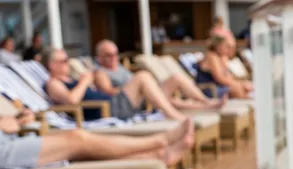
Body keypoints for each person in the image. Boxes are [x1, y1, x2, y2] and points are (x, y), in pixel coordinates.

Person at [0, 111, 194, 169]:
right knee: (77, 139)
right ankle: (160, 141)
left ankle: (157, 155)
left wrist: (15, 119)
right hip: (4, 151)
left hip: (8, 141)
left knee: (83, 150)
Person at [44, 47, 193, 123]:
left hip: (112, 105)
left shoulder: (70, 80)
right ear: (52, 65)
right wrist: (85, 81)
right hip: (108, 110)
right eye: (64, 61)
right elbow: (71, 100)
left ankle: (195, 107)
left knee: (155, 81)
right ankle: (173, 115)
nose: (68, 63)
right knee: (142, 76)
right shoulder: (53, 83)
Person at [93, 40, 224, 111]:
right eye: (108, 55)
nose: (113, 57)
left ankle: (206, 103)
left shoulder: (121, 68)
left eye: (115, 54)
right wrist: (136, 88)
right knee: (166, 98)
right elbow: (108, 92)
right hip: (132, 101)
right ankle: (207, 105)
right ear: (99, 57)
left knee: (176, 78)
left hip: (144, 96)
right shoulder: (101, 72)